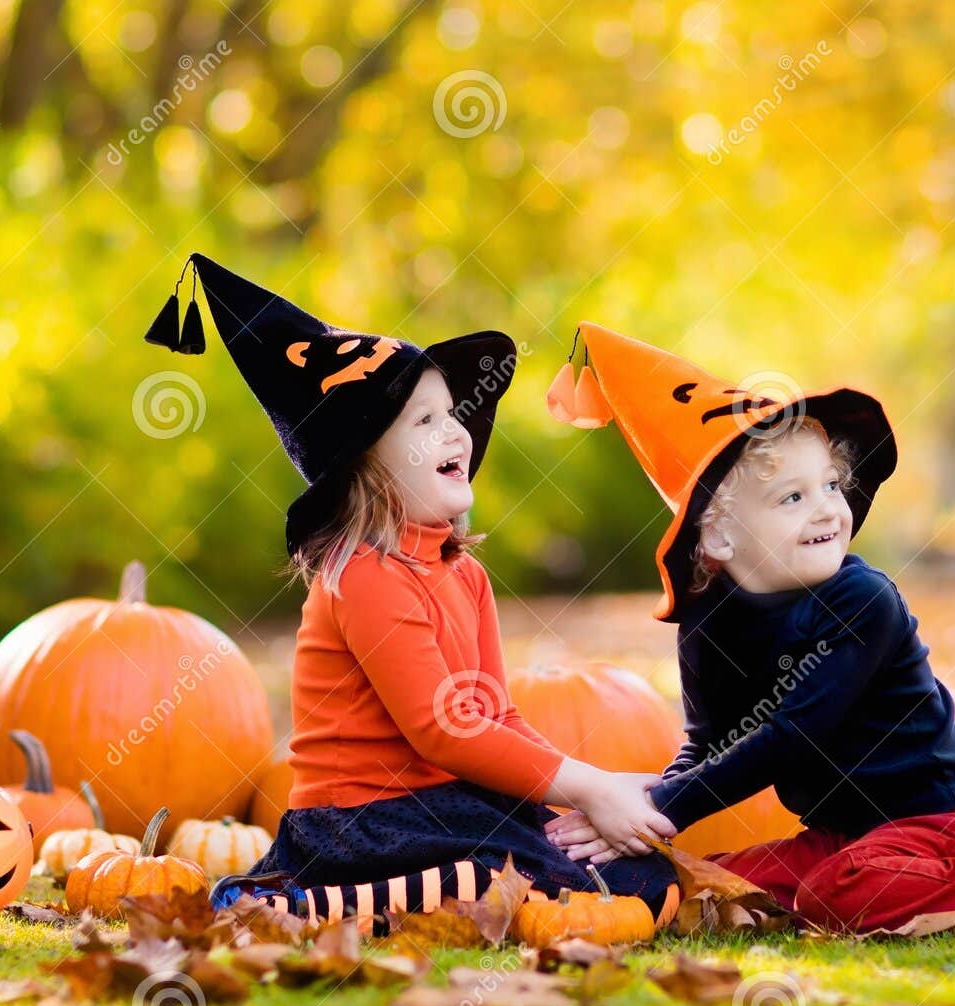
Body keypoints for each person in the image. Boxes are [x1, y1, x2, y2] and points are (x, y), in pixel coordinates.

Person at [143, 259, 679, 930]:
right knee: (507, 878)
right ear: (364, 466)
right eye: (424, 421)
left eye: (450, 413)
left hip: (451, 807)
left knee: (640, 881)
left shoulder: (465, 575)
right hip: (359, 827)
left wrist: (579, 800)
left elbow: (494, 715)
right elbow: (443, 730)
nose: (456, 431)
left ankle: (474, 890)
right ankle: (298, 903)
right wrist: (591, 784)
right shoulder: (363, 574)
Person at [542, 323, 955, 933]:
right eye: (791, 498)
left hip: (949, 820)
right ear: (719, 536)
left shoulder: (862, 599)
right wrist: (641, 818)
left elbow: (790, 733)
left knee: (842, 890)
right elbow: (708, 743)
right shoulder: (708, 620)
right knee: (716, 889)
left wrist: (663, 808)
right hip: (846, 836)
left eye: (830, 484)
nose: (827, 506)